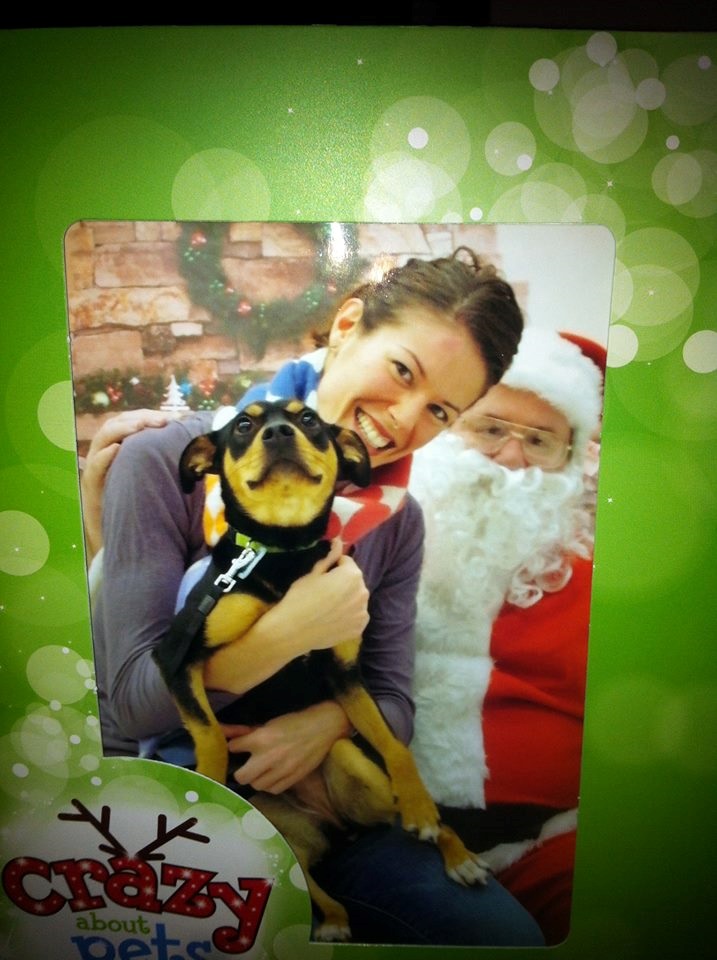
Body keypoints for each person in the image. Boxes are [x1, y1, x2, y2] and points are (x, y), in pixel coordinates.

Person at [86, 247, 546, 946]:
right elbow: (131, 702)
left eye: (438, 410)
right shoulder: (166, 460)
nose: (403, 421)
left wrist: (325, 725)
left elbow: (393, 701)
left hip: (335, 801)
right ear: (347, 324)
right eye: (403, 371)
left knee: (504, 940)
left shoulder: (396, 522)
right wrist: (283, 636)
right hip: (183, 803)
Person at [407, 325, 605, 945]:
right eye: (490, 429)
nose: (512, 458)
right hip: (397, 835)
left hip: (553, 840)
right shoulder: (378, 543)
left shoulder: (603, 578)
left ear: (571, 458)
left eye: (540, 441)